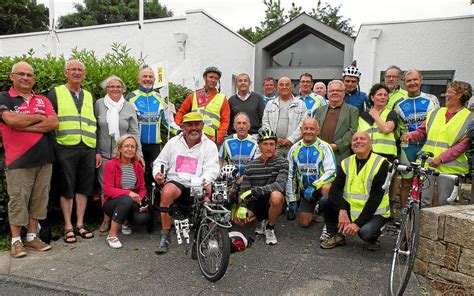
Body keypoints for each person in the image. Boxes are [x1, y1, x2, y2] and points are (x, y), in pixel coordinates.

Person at [0, 61, 58, 258]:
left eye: (29, 75)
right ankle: (16, 241)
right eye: (21, 74)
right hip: (18, 160)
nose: (26, 78)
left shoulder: (43, 99)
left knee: (39, 201)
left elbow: (54, 122)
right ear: (12, 77)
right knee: (18, 201)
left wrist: (24, 124)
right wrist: (38, 118)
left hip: (44, 159)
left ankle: (32, 237)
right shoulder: (4, 98)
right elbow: (11, 120)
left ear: (34, 79)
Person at [153, 112, 219, 254]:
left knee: (211, 190)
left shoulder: (210, 145)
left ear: (202, 125)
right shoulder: (173, 143)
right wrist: (158, 173)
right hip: (177, 180)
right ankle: (165, 233)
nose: (194, 128)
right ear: (183, 126)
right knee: (167, 191)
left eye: (197, 124)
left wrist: (205, 182)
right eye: (190, 125)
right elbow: (159, 162)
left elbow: (212, 169)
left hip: (198, 181)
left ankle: (210, 233)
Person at [48, 59, 98, 243]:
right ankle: (68, 226)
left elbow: (94, 124)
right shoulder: (56, 92)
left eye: (80, 70)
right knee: (66, 188)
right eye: (73, 69)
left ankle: (80, 224)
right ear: (65, 73)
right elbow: (49, 121)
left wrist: (97, 150)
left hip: (87, 147)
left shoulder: (89, 95)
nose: (77, 72)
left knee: (84, 188)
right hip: (65, 147)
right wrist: (55, 148)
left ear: (84, 74)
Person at [401, 81, 472, 208]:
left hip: (450, 169)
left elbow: (463, 145)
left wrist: (441, 158)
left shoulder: (469, 118)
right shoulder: (435, 113)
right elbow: (422, 131)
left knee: (444, 204)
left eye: (450, 92)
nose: (446, 95)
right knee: (423, 202)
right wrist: (411, 135)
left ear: (460, 95)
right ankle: (421, 227)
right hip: (428, 165)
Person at [320, 132, 390, 251]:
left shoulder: (381, 163)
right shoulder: (346, 162)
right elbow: (335, 190)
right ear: (352, 146)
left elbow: (375, 198)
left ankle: (373, 238)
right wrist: (341, 210)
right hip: (351, 208)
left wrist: (357, 224)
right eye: (355, 139)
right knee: (325, 201)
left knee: (366, 233)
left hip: (375, 212)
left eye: (362, 139)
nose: (358, 141)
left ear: (370, 144)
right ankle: (337, 235)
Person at [95, 75, 142, 233]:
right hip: (105, 155)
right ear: (106, 89)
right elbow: (94, 129)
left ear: (123, 89)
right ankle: (106, 219)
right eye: (111, 86)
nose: (115, 89)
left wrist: (139, 154)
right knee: (105, 188)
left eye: (118, 87)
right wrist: (96, 152)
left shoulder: (129, 106)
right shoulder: (99, 104)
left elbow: (135, 132)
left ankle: (123, 219)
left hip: (125, 156)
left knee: (125, 186)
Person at [393, 69, 439, 207]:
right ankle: (403, 215)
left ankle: (427, 216)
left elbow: (436, 123)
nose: (412, 83)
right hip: (408, 148)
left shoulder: (432, 100)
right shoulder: (398, 103)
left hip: (427, 146)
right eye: (408, 80)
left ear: (421, 80)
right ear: (404, 83)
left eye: (415, 79)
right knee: (406, 182)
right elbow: (397, 128)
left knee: (427, 184)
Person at [127, 67, 180, 187]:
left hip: (154, 145)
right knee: (136, 175)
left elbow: (167, 122)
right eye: (144, 76)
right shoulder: (131, 98)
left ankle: (154, 202)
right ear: (139, 80)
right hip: (136, 144)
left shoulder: (160, 98)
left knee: (155, 176)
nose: (147, 79)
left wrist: (179, 131)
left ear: (154, 80)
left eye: (150, 77)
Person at [235, 128, 288, 245]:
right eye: (265, 144)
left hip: (271, 200)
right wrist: (242, 206)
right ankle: (261, 219)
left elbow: (280, 185)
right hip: (256, 200)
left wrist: (256, 190)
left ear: (276, 146)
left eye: (272, 144)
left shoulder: (283, 162)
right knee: (240, 221)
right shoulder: (250, 165)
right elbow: (244, 190)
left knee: (277, 196)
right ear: (259, 146)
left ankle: (270, 227)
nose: (269, 147)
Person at [287, 118, 336, 226]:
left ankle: (330, 219)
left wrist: (314, 186)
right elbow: (290, 176)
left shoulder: (325, 147)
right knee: (303, 223)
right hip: (306, 192)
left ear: (318, 131)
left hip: (320, 187)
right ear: (301, 129)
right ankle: (314, 212)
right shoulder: (294, 149)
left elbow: (331, 172)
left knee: (327, 188)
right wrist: (292, 199)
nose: (308, 131)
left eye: (312, 129)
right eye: (306, 128)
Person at [102, 135, 148, 248]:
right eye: (126, 146)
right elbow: (107, 190)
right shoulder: (110, 164)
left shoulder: (137, 165)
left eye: (133, 146)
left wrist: (140, 200)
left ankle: (125, 222)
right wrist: (128, 193)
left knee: (143, 218)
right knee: (126, 199)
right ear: (119, 149)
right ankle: (112, 235)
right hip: (112, 203)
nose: (130, 149)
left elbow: (142, 188)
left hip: (131, 201)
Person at [175, 66, 230, 144]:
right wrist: (178, 128)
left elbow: (225, 122)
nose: (213, 80)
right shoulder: (195, 95)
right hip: (192, 136)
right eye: (211, 77)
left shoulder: (222, 99)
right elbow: (181, 112)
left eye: (216, 78)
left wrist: (218, 137)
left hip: (210, 139)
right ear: (205, 78)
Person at [315, 80, 359, 166]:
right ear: (327, 94)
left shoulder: (352, 110)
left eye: (338, 90)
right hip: (320, 154)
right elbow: (315, 129)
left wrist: (337, 145)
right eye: (332, 91)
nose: (335, 93)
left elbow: (353, 131)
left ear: (344, 93)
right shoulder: (320, 110)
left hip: (341, 156)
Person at [262, 77, 307, 158]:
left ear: (292, 87)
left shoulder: (301, 104)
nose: (284, 87)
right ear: (277, 88)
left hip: (294, 146)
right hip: (275, 147)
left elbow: (303, 124)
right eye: (281, 85)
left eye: (287, 85)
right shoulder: (270, 104)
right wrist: (274, 138)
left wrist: (291, 139)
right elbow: (265, 123)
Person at [219, 112, 260, 191]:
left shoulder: (255, 143)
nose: (241, 126)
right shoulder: (227, 142)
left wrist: (238, 183)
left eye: (244, 123)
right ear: (234, 126)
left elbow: (255, 167)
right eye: (239, 123)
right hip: (230, 180)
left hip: (248, 181)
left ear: (249, 126)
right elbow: (220, 161)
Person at [358, 83, 397, 162]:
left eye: (385, 95)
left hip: (386, 156)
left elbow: (386, 129)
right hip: (366, 155)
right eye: (379, 95)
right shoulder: (362, 116)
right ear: (372, 97)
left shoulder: (391, 113)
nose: (383, 97)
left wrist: (375, 115)